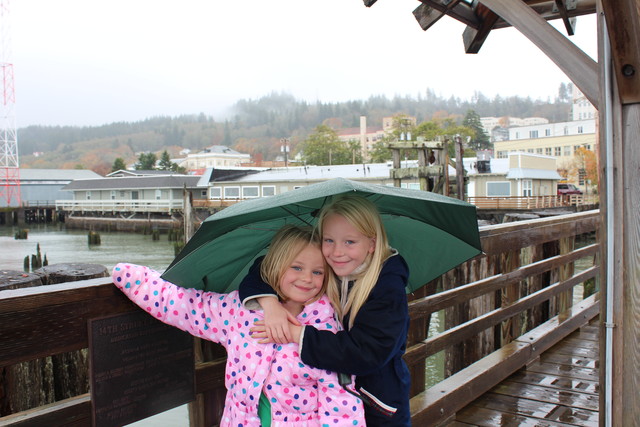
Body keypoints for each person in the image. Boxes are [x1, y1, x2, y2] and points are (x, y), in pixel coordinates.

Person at [111, 225, 365, 427]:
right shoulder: (240, 312)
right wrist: (138, 280)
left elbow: (340, 403)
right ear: (275, 266)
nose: (307, 278)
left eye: (318, 272)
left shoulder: (326, 329)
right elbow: (187, 306)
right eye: (296, 267)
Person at [240, 194, 411, 426]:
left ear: (372, 243)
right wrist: (270, 305)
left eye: (349, 242)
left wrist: (295, 333)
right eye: (329, 240)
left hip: (377, 404)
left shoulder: (387, 288)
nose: (337, 252)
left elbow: (368, 352)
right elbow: (265, 266)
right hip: (334, 404)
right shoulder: (330, 265)